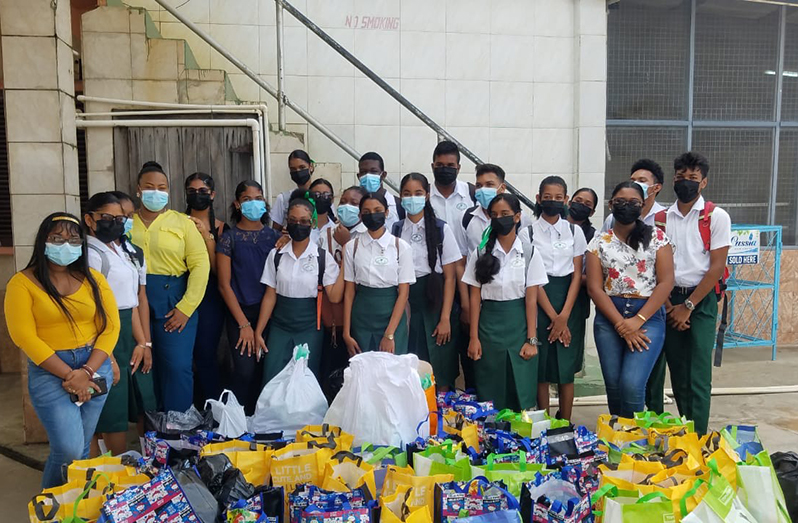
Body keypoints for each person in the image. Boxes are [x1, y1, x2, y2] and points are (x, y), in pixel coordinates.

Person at [4, 213, 119, 487]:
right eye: (57, 238)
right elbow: (23, 336)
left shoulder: (93, 279)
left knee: (80, 449)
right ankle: (52, 505)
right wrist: (71, 375)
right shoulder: (22, 283)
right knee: (67, 448)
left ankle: (71, 508)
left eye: (73, 239)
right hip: (51, 371)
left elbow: (111, 328)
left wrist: (88, 371)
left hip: (94, 365)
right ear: (43, 241)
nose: (65, 245)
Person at [646, 152, 730, 435]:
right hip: (667, 299)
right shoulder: (659, 219)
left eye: (692, 178)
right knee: (676, 372)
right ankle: (684, 429)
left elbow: (716, 267)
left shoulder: (716, 217)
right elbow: (655, 266)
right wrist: (670, 305)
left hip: (701, 300)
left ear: (703, 182)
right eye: (681, 177)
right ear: (673, 180)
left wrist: (689, 305)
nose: (686, 183)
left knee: (698, 376)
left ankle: (699, 437)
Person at [587, 182, 674, 417]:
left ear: (643, 205)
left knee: (632, 384)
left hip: (647, 316)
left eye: (634, 202)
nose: (627, 206)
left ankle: (633, 439)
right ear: (611, 205)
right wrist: (621, 325)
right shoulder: (598, 243)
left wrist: (638, 320)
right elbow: (595, 288)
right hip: (609, 316)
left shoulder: (658, 238)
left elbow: (666, 282)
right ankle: (619, 437)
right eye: (620, 202)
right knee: (614, 387)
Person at [130, 161, 210, 412]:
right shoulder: (125, 222)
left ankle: (178, 428)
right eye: (149, 187)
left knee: (177, 366)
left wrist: (186, 307)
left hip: (173, 300)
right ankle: (149, 431)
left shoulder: (183, 222)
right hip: (133, 302)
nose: (156, 192)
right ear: (138, 189)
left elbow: (200, 265)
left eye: (162, 187)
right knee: (141, 366)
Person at [84, 192, 156, 456]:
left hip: (127, 330)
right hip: (103, 334)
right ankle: (104, 474)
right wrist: (108, 356)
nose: (115, 223)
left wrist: (142, 342)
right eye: (108, 218)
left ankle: (123, 470)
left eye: (121, 218)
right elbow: (94, 310)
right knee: (108, 411)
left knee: (135, 403)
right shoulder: (89, 254)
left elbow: (132, 301)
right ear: (90, 220)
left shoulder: (122, 251)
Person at [462, 194, 548, 410]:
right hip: (488, 327)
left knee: (521, 385)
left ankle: (521, 438)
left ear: (517, 217)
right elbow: (474, 297)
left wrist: (531, 339)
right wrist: (473, 338)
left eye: (506, 214)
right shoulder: (481, 252)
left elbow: (531, 299)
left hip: (519, 325)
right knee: (490, 387)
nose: (500, 218)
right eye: (495, 215)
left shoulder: (529, 253)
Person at [255, 194, 344, 384]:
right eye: (293, 220)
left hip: (310, 327)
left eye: (304, 221)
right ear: (287, 222)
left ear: (312, 223)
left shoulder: (322, 257)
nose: (298, 225)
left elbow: (335, 297)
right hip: (280, 327)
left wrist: (346, 262)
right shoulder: (276, 254)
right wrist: (259, 331)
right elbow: (270, 295)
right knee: (273, 376)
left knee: (305, 380)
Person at [520, 176, 587, 422]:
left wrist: (564, 316)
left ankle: (565, 422)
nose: (553, 202)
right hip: (540, 300)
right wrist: (552, 316)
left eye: (559, 198)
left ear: (566, 200)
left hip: (570, 302)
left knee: (566, 368)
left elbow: (578, 273)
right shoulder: (527, 232)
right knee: (543, 367)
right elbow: (532, 279)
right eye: (547, 197)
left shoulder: (574, 231)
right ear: (538, 199)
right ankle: (544, 422)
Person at [392, 173, 462, 391]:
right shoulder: (395, 230)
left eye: (418, 193)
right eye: (407, 194)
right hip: (406, 303)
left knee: (439, 369)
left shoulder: (442, 229)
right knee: (409, 367)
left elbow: (450, 277)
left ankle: (439, 419)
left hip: (435, 302)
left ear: (427, 195)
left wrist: (445, 318)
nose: (412, 198)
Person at [216, 180, 279, 413]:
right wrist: (244, 324)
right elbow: (224, 285)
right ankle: (236, 420)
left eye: (259, 198)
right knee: (244, 370)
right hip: (239, 313)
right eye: (247, 199)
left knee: (267, 370)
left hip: (270, 314)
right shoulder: (229, 238)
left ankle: (262, 423)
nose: (254, 203)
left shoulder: (274, 237)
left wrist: (259, 327)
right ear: (237, 204)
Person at [429, 140, 477, 388]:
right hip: (439, 281)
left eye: (450, 165)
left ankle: (473, 402)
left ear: (459, 167)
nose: (445, 169)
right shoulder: (423, 196)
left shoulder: (471, 194)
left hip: (471, 278)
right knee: (442, 343)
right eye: (440, 165)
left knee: (472, 342)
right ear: (432, 166)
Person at [343, 192, 416, 355]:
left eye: (377, 210)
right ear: (360, 216)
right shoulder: (351, 247)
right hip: (361, 316)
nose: (372, 215)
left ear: (386, 212)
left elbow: (403, 294)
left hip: (391, 316)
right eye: (367, 212)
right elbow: (349, 292)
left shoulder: (400, 247)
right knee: (364, 372)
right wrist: (346, 332)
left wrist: (389, 334)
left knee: (391, 372)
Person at [185, 172, 227, 405]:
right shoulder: (176, 223)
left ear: (212, 195)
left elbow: (218, 270)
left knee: (206, 354)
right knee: (181, 357)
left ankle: (212, 407)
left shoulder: (222, 228)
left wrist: (207, 236)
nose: (197, 196)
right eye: (192, 191)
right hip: (181, 294)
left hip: (210, 297)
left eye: (203, 191)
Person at [318, 185, 368, 378]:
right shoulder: (326, 235)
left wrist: (347, 243)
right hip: (334, 314)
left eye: (354, 203)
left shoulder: (367, 234)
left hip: (361, 311)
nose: (347, 206)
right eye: (344, 202)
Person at [463, 164, 532, 253]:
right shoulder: (467, 217)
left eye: (489, 185)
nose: (483, 190)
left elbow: (526, 250)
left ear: (502, 188)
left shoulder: (520, 218)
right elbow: (462, 256)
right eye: (479, 185)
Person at [601, 159, 666, 233]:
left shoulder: (665, 218)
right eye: (632, 181)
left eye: (642, 181)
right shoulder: (613, 218)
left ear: (656, 187)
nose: (635, 184)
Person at [272, 149, 315, 231]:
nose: (298, 172)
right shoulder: (283, 199)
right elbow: (276, 231)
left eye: (302, 167)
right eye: (293, 169)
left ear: (311, 167)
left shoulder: (321, 195)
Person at [357, 152, 401, 230]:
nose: (368, 175)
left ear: (383, 175)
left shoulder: (398, 205)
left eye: (373, 171)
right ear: (358, 176)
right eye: (363, 172)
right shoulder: (354, 205)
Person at [307, 178, 338, 245]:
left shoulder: (336, 230)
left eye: (326, 195)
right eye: (316, 195)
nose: (321, 198)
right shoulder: (301, 226)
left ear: (332, 199)